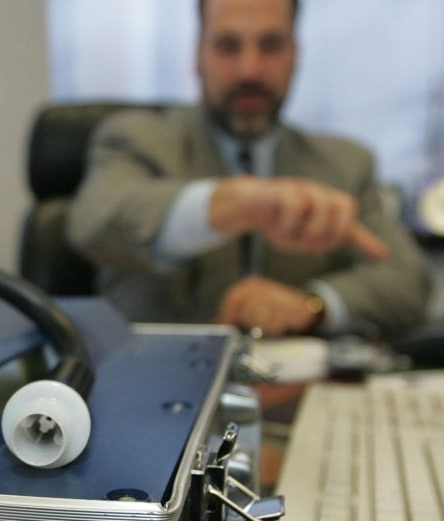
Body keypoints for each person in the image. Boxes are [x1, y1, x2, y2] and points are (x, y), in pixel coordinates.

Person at [67, 0, 430, 337]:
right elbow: (95, 221)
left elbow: (408, 280)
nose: (249, 70)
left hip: (291, 393)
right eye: (228, 46)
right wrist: (236, 203)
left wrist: (311, 305)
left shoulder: (344, 164)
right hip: (154, 386)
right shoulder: (137, 139)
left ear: (295, 56)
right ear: (198, 56)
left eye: (270, 45)